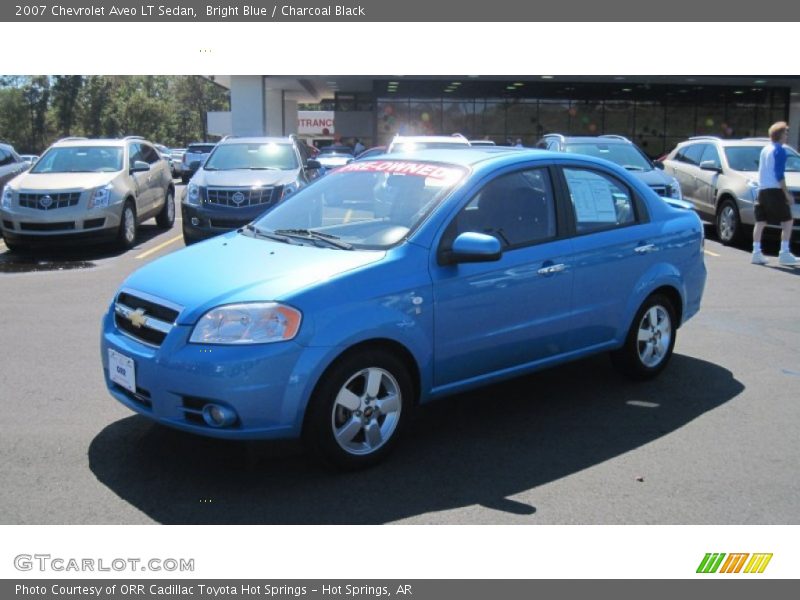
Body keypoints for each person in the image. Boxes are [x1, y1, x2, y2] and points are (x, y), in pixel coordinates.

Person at [752, 121, 797, 266]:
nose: (787, 136)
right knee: (788, 220)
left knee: (760, 222)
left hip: (762, 190)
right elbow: (779, 174)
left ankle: (756, 253)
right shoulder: (780, 150)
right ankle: (784, 252)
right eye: (786, 133)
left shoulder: (765, 149)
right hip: (774, 190)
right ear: (780, 135)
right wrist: (787, 194)